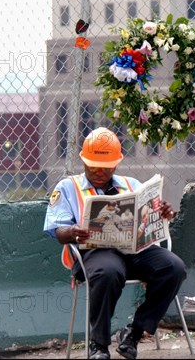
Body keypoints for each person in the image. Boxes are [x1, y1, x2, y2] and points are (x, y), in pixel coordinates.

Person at [43, 127, 187, 360]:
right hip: (95, 253)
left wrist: (162, 213)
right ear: (83, 161)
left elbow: (148, 217)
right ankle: (99, 346)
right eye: (93, 166)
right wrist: (72, 231)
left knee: (174, 268)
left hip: (134, 251)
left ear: (117, 163)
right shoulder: (67, 187)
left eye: (107, 166)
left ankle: (134, 333)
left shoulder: (131, 184)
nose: (100, 171)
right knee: (108, 271)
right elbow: (57, 231)